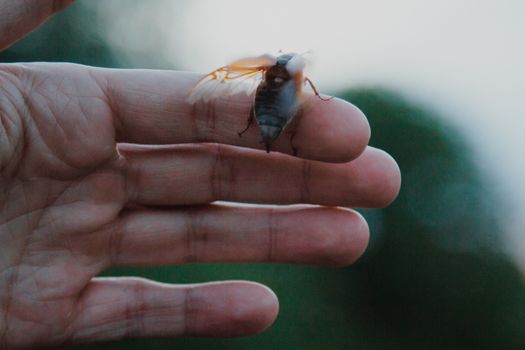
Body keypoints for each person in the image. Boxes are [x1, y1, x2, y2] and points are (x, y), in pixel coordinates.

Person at [0, 0, 400, 348]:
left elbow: (277, 88)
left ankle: (265, 130)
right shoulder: (285, 77)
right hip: (272, 111)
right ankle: (265, 131)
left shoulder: (276, 75)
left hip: (273, 111)